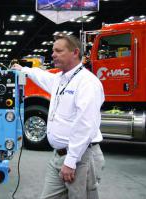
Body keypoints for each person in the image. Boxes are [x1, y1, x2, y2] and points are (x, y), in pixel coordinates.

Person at [12, 35, 105, 199]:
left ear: (75, 52)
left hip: (80, 157)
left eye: (58, 51)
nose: (53, 54)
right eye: (53, 50)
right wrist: (23, 70)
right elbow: (42, 76)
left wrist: (71, 161)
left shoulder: (87, 82)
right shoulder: (60, 79)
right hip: (58, 156)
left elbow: (85, 125)